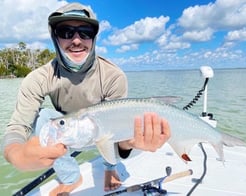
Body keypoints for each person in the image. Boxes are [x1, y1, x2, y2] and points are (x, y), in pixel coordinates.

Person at [2, 2, 170, 195]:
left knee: (112, 123)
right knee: (43, 119)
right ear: (54, 37)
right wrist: (17, 155)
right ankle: (72, 177)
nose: (76, 40)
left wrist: (128, 144)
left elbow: (118, 127)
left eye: (85, 32)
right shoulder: (38, 78)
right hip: (68, 131)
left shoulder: (113, 76)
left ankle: (110, 168)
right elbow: (17, 127)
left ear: (93, 37)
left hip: (104, 129)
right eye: (65, 31)